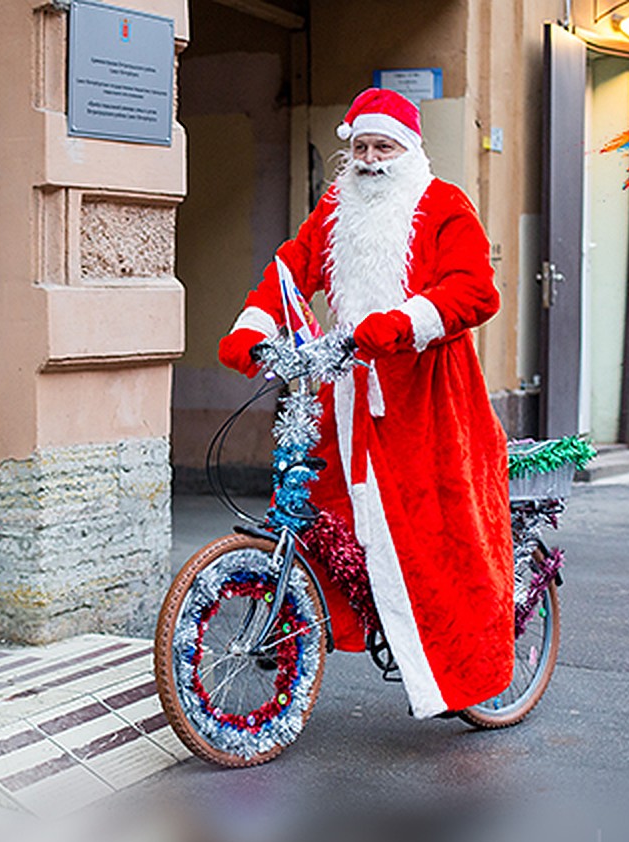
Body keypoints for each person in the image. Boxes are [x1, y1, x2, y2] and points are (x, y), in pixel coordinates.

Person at [217, 88, 514, 718]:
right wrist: (255, 325)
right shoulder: (335, 205)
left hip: (427, 393)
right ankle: (318, 625)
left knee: (434, 531)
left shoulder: (442, 204)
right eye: (361, 146)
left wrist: (401, 324)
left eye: (384, 146)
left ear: (409, 150)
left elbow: (474, 290)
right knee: (324, 509)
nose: (372, 158)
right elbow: (292, 269)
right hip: (344, 383)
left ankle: (463, 669)